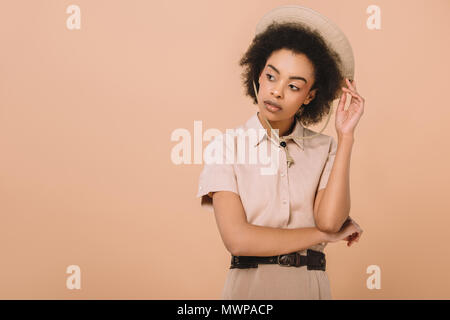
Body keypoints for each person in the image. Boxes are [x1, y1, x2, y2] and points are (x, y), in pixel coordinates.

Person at [196, 5, 365, 299]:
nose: (277, 91)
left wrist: (346, 136)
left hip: (310, 290)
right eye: (272, 77)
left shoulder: (325, 148)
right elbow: (238, 240)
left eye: (294, 85)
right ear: (258, 75)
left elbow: (330, 220)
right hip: (248, 293)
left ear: (310, 95)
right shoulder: (226, 146)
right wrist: (324, 237)